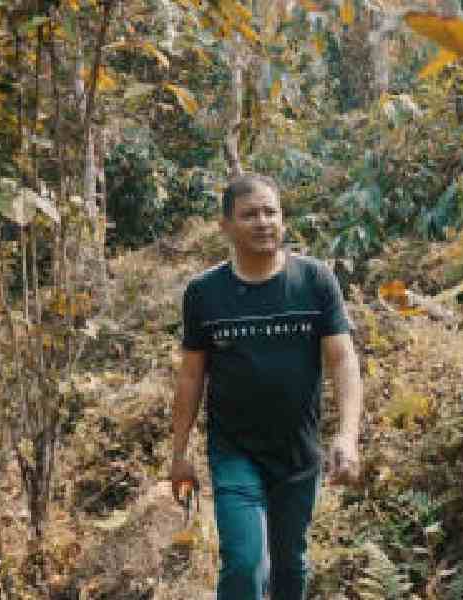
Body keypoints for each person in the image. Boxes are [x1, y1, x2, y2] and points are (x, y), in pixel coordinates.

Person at [170, 173, 363, 600]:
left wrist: (347, 435)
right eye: (249, 214)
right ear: (225, 226)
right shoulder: (205, 293)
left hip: (298, 454)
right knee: (245, 563)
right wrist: (179, 453)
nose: (262, 222)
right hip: (235, 452)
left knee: (290, 565)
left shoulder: (314, 281)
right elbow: (191, 375)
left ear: (284, 219)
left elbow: (342, 359)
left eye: (270, 212)